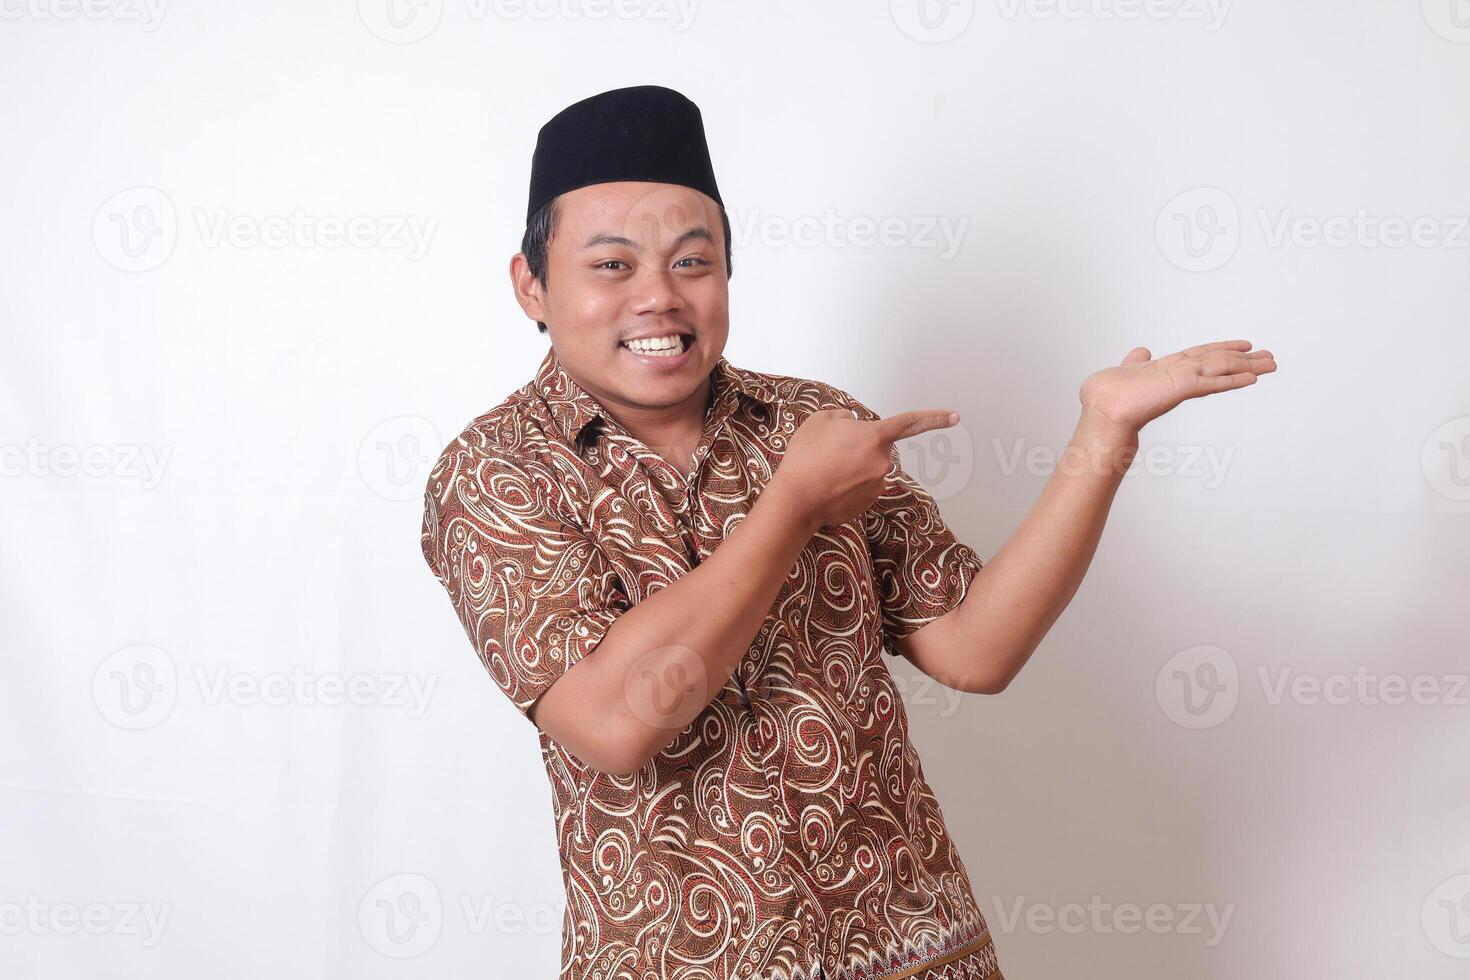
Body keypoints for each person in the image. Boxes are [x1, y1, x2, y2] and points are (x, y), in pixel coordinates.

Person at [419, 84, 1277, 980]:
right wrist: (791, 510)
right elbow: (615, 722)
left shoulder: (817, 423)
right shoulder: (494, 472)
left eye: (692, 262)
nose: (659, 299)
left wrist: (1103, 438)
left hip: (917, 951)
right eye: (611, 266)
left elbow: (977, 648)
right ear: (532, 286)